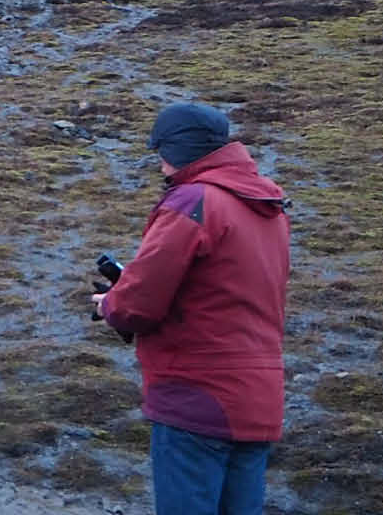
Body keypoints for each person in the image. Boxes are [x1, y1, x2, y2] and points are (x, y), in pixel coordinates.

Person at [93, 101, 291, 515]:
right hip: (260, 397)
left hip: (196, 398)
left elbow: (138, 305)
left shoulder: (192, 203)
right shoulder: (268, 206)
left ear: (176, 151)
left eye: (162, 155)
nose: (162, 168)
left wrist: (112, 303)